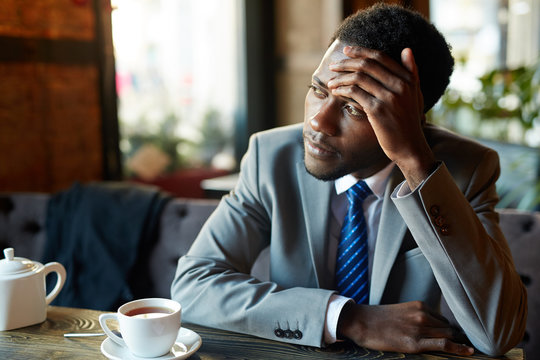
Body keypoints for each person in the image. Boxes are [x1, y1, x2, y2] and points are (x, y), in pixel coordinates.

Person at [171, 3, 527, 356]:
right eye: (319, 90)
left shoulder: (465, 170)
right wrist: (348, 318)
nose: (317, 123)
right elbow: (193, 285)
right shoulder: (271, 157)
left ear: (408, 119)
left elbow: (497, 334)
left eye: (354, 107)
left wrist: (415, 163)